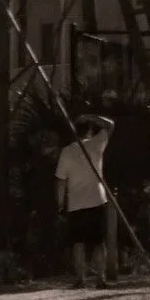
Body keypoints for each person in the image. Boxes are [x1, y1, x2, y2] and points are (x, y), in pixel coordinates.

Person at [54, 113, 115, 287]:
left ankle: (80, 279)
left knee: (78, 243)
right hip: (97, 199)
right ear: (89, 130)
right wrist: (91, 116)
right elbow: (110, 124)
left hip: (76, 204)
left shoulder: (67, 152)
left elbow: (60, 181)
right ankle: (100, 279)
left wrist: (59, 204)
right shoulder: (97, 144)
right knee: (98, 243)